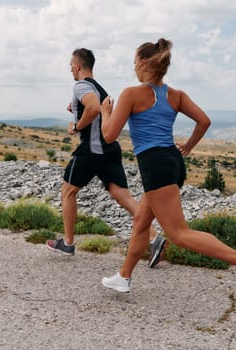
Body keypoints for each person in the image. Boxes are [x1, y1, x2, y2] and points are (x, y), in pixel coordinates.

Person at [99, 39, 236, 293]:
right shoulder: (176, 95)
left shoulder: (131, 94)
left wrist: (105, 112)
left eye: (134, 62)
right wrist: (188, 147)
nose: (133, 67)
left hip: (155, 166)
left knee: (178, 233)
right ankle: (123, 276)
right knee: (142, 221)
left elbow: (109, 135)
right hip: (173, 163)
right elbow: (204, 121)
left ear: (143, 63)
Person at [46, 48, 167, 268]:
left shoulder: (81, 85)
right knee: (121, 195)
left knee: (68, 190)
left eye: (70, 66)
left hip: (93, 149)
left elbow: (93, 109)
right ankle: (154, 237)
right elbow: (97, 108)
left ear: (78, 66)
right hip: (110, 148)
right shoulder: (97, 87)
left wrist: (76, 126)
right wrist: (75, 109)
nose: (70, 70)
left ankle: (68, 243)